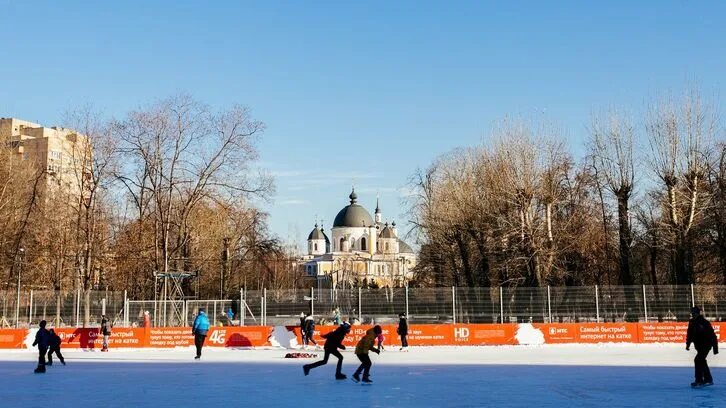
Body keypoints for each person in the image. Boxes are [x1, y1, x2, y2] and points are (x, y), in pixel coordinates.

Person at [686, 306, 719, 387]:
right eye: (692, 313)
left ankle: (699, 380)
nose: (693, 315)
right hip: (699, 346)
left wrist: (715, 348)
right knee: (702, 361)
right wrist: (688, 344)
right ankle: (708, 379)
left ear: (698, 313)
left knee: (698, 360)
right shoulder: (692, 322)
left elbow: (712, 335)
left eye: (694, 313)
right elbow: (689, 334)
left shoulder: (704, 322)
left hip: (706, 345)